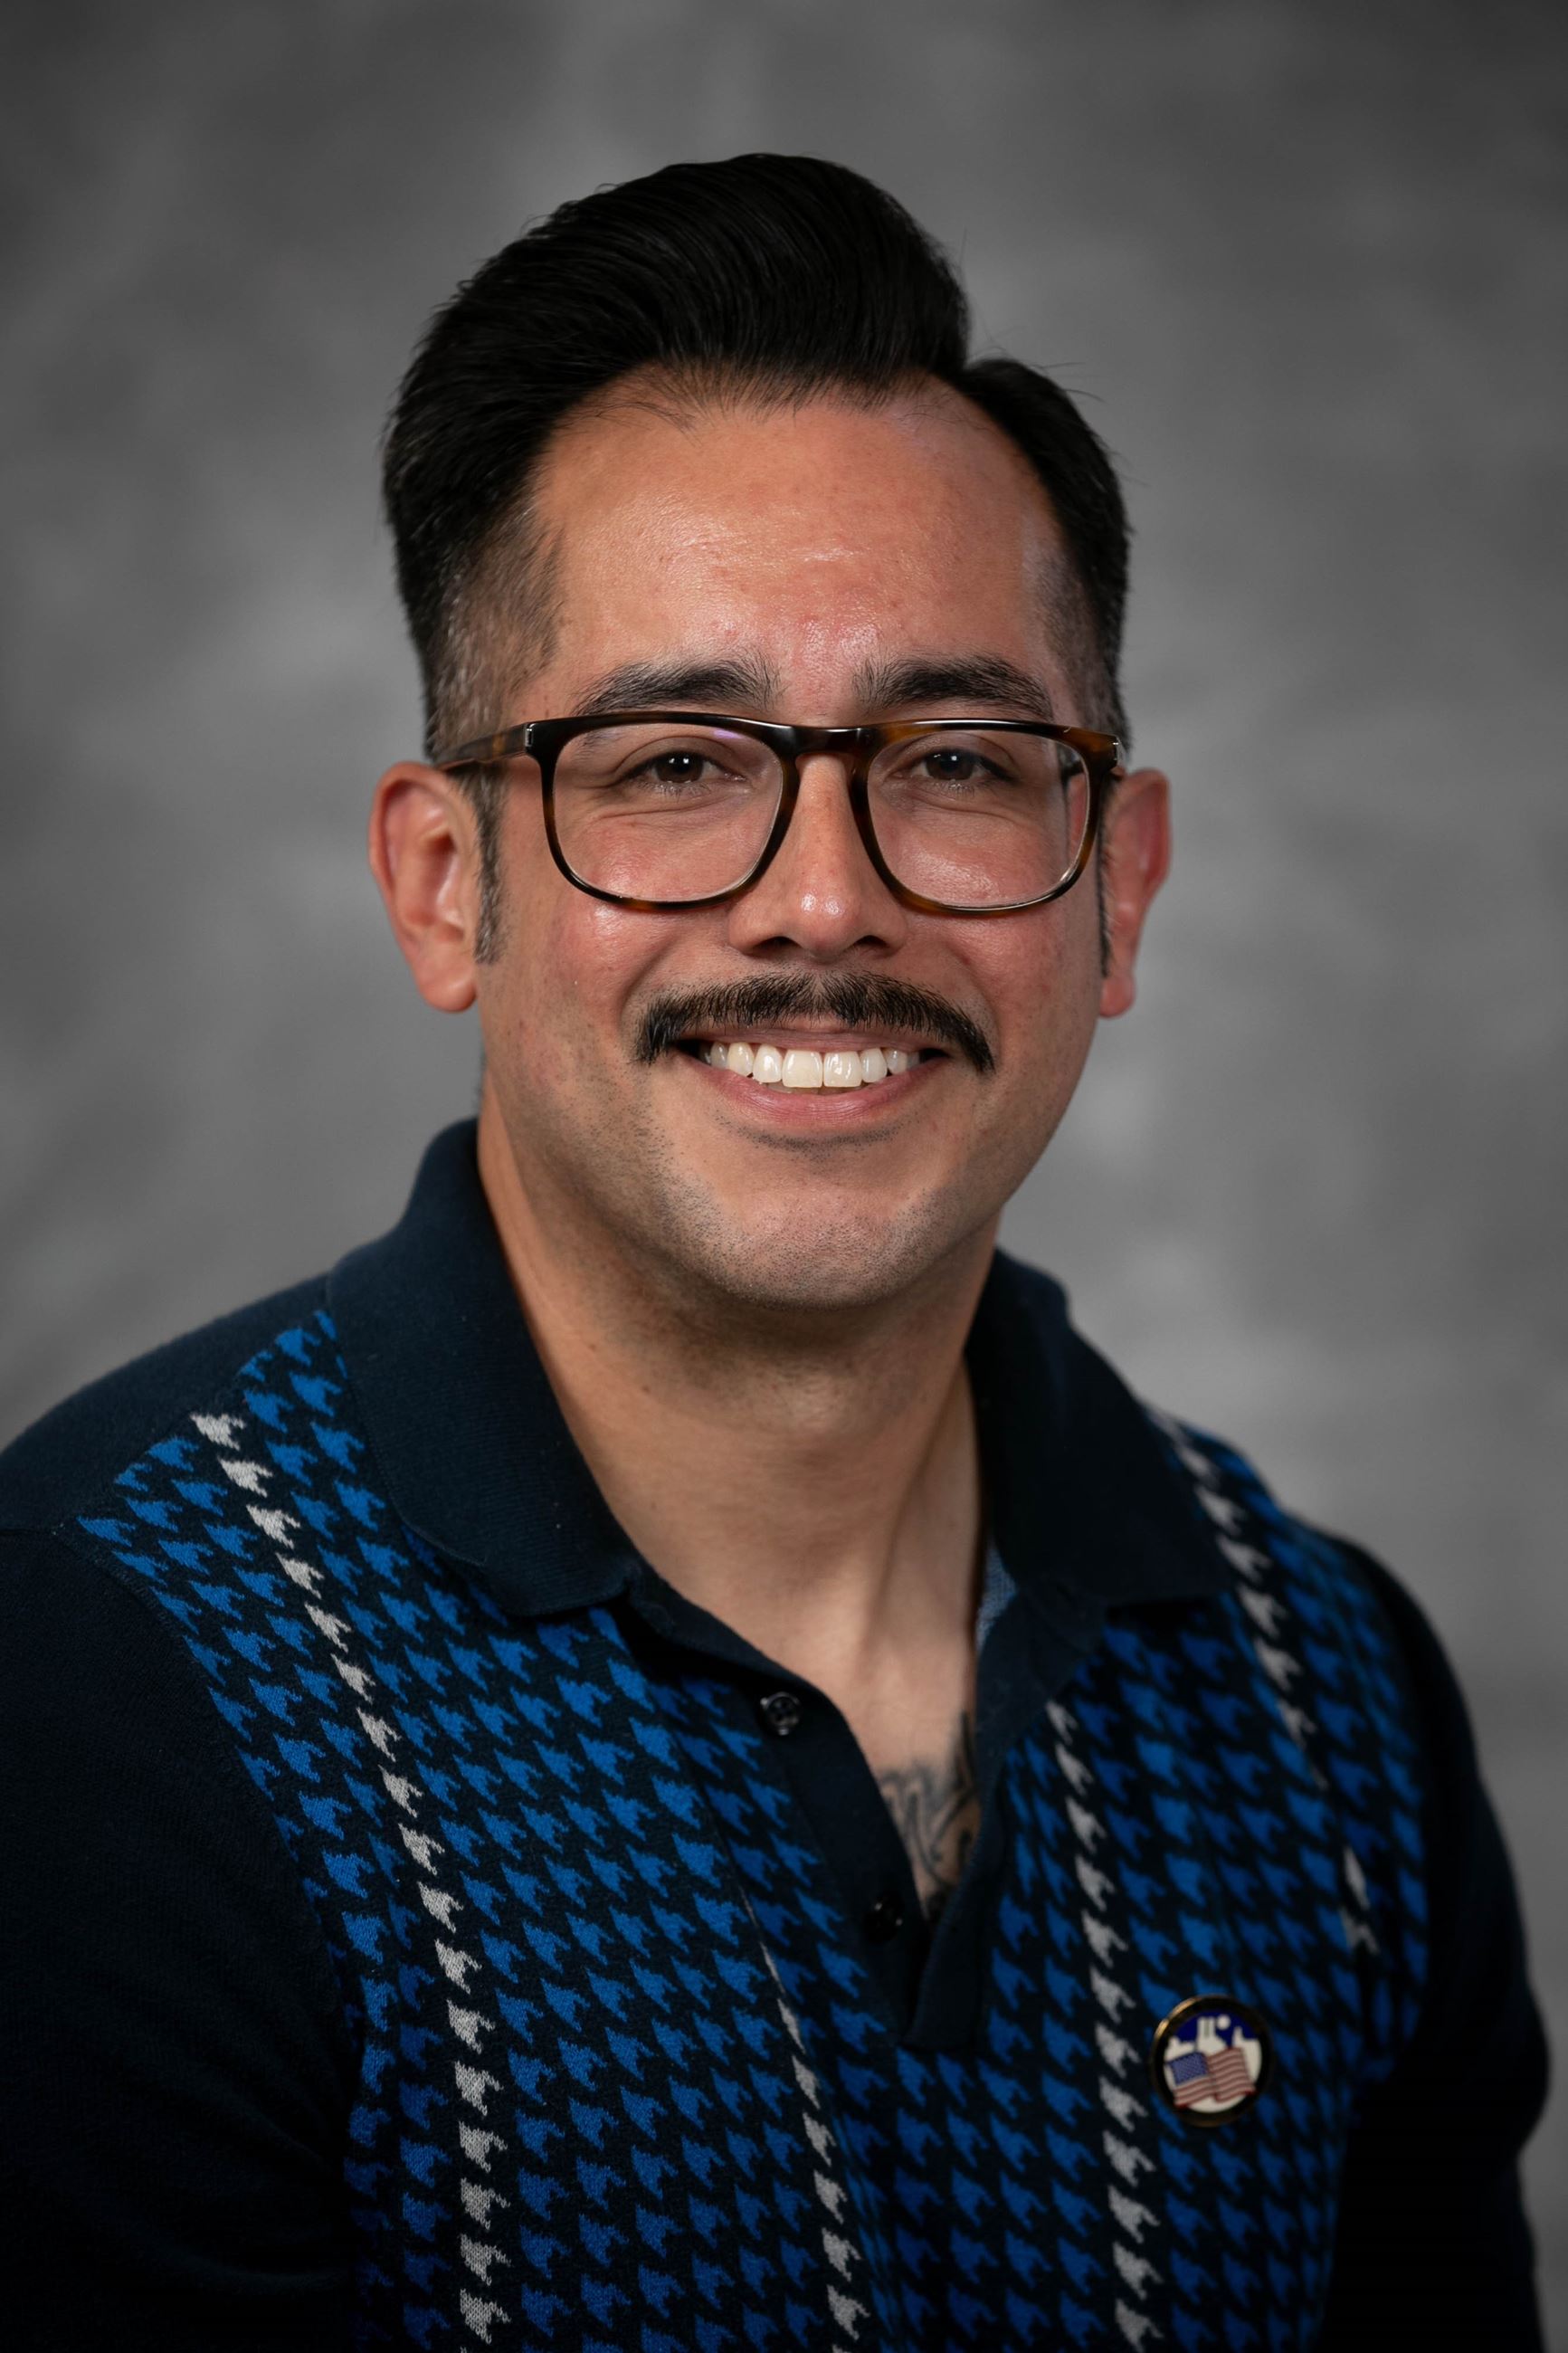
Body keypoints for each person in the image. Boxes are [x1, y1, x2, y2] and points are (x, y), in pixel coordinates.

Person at [0, 156, 1546, 2352]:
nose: (825, 898)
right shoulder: (98, 1689)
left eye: (959, 758)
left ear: (1117, 885)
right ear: (450, 886)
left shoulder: (1329, 1701)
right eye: (673, 761)